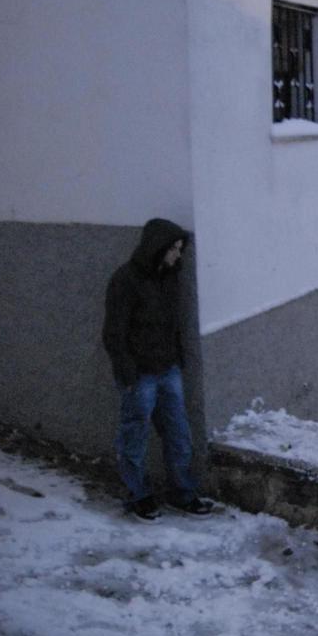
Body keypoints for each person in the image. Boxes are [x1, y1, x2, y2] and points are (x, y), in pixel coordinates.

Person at [103, 218, 212, 522]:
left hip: (168, 369)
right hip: (140, 374)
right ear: (157, 248)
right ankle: (139, 495)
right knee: (134, 436)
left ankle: (182, 492)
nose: (178, 255)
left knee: (179, 433)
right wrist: (127, 372)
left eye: (180, 249)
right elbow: (114, 332)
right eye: (173, 249)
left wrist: (177, 358)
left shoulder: (170, 277)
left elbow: (172, 324)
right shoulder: (126, 280)